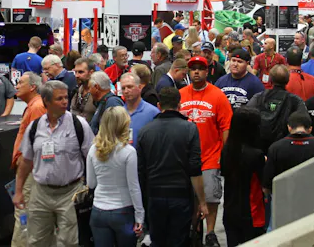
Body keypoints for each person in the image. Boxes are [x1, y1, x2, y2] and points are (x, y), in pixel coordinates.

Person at [12, 80, 95, 247]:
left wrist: (92, 188)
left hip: (70, 193)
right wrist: (19, 191)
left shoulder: (79, 125)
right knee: (36, 240)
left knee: (68, 242)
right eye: (59, 98)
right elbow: (26, 161)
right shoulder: (35, 127)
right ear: (46, 101)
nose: (65, 102)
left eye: (66, 98)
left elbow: (92, 158)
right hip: (40, 193)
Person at [136, 87, 208, 247]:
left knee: (157, 241)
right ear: (179, 105)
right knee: (179, 241)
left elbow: (140, 171)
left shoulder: (145, 131)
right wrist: (202, 202)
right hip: (180, 196)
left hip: (154, 196)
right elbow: (195, 169)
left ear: (159, 105)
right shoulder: (190, 129)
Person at [179, 56, 233, 247]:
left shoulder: (218, 95)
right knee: (190, 200)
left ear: (207, 71)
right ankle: (194, 231)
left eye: (200, 68)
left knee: (211, 197)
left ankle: (210, 233)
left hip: (210, 156)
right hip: (185, 158)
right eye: (193, 68)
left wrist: (224, 154)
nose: (196, 72)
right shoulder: (181, 94)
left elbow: (226, 126)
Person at [87, 107, 145, 247]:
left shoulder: (93, 149)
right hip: (123, 210)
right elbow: (133, 187)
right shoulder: (128, 152)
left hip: (99, 210)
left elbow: (91, 183)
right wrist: (139, 215)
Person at [220, 107, 266, 246]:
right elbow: (264, 183)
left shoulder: (227, 151)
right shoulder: (256, 155)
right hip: (251, 213)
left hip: (230, 211)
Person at [10, 72, 47, 247]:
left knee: (24, 213)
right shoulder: (33, 106)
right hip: (27, 169)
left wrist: (23, 164)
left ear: (32, 87)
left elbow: (38, 144)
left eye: (20, 83)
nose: (16, 86)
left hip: (30, 170)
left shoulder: (37, 107)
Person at [262, 111, 314, 194]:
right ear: (310, 129)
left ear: (289, 127)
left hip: (285, 197)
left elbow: (266, 187)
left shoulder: (275, 148)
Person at [247, 65, 308, 153]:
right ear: (288, 80)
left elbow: (246, 115)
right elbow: (304, 121)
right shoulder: (295, 100)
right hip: (284, 147)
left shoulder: (258, 97)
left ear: (270, 80)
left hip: (260, 145)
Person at [121, 72, 159, 146]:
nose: (126, 91)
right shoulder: (119, 114)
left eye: (130, 87)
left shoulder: (153, 113)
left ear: (140, 87)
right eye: (123, 88)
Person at [71, 58, 97, 122]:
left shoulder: (98, 91)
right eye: (75, 72)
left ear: (91, 73)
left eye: (80, 72)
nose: (76, 75)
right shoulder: (75, 90)